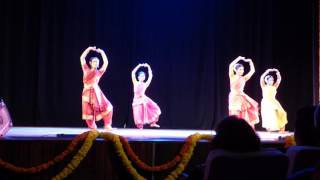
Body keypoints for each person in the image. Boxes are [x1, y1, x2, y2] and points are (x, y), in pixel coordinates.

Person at [80, 46, 113, 130]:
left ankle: (107, 125)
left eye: (97, 62)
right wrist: (89, 49)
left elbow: (106, 63)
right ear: (90, 63)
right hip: (87, 93)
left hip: (97, 93)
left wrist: (102, 52)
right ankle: (92, 127)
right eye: (94, 61)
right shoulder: (86, 69)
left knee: (108, 107)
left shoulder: (99, 72)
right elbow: (82, 57)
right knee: (88, 112)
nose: (96, 63)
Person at [228, 56, 259, 129]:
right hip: (234, 97)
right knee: (235, 113)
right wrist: (239, 58)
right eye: (240, 69)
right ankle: (234, 128)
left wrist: (250, 62)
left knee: (243, 112)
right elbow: (231, 65)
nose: (242, 71)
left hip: (241, 96)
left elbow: (252, 71)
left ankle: (243, 128)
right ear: (236, 70)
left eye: (243, 69)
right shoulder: (232, 76)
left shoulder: (244, 78)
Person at [131, 63, 161, 129]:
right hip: (136, 100)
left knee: (155, 108)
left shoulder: (145, 84)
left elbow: (150, 76)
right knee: (138, 114)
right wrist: (139, 65)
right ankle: (140, 127)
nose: (143, 77)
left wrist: (148, 67)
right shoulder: (135, 82)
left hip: (144, 99)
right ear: (138, 77)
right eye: (141, 76)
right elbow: (133, 73)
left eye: (144, 76)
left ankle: (153, 123)